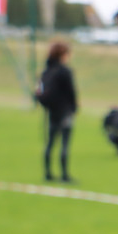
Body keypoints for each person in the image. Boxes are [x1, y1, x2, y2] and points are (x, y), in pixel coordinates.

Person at [36, 41, 78, 183]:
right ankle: (64, 175)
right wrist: (74, 107)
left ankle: (48, 173)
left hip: (52, 110)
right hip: (64, 110)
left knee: (50, 141)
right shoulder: (65, 71)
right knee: (64, 143)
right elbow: (71, 92)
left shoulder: (47, 71)